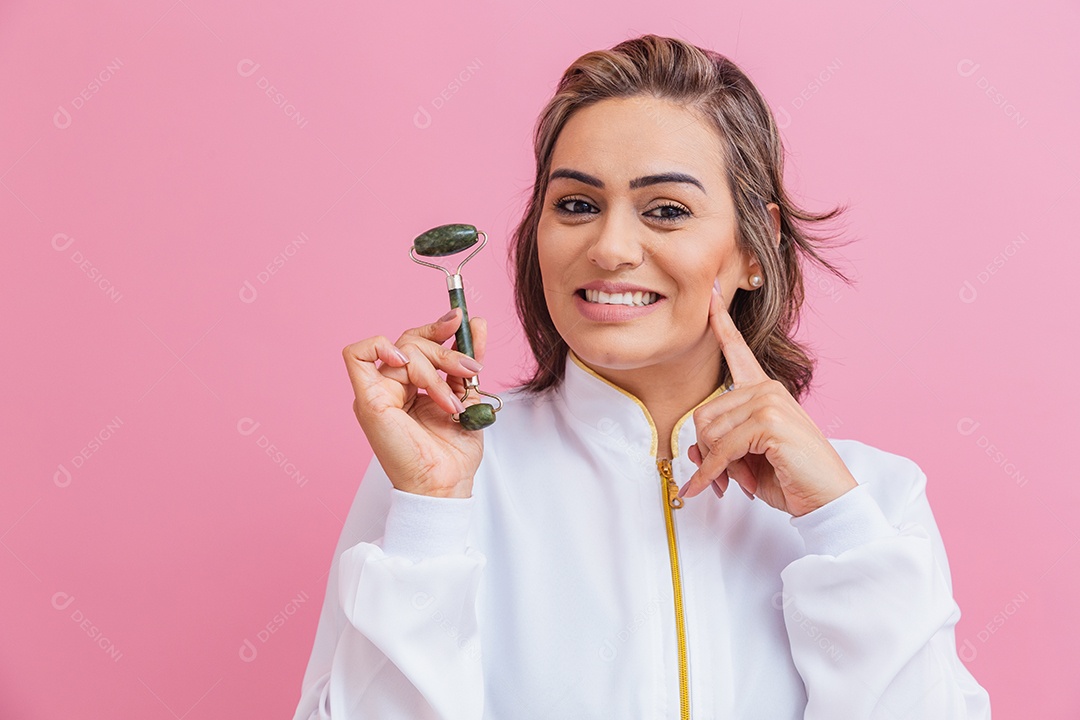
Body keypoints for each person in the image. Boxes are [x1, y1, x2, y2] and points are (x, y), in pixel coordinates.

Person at [293, 34, 992, 719]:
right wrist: (431, 512)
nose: (611, 248)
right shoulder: (439, 476)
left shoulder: (875, 501)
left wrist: (839, 522)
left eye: (666, 211)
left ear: (757, 248)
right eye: (576, 205)